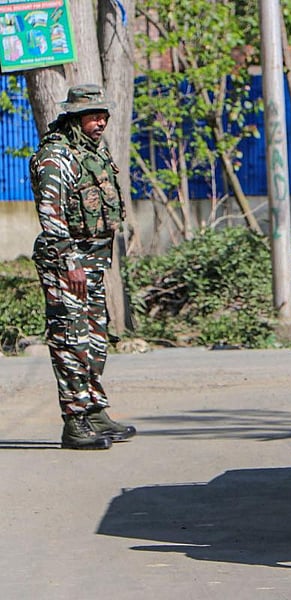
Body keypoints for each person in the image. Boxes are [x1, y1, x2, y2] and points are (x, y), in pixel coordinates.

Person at [30, 84, 137, 451]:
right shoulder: (55, 157)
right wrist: (70, 263)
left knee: (94, 340)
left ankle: (93, 410)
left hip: (91, 262)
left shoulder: (91, 152)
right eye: (93, 115)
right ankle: (74, 422)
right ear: (74, 117)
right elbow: (51, 216)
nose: (101, 122)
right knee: (70, 342)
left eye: (104, 115)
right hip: (67, 263)